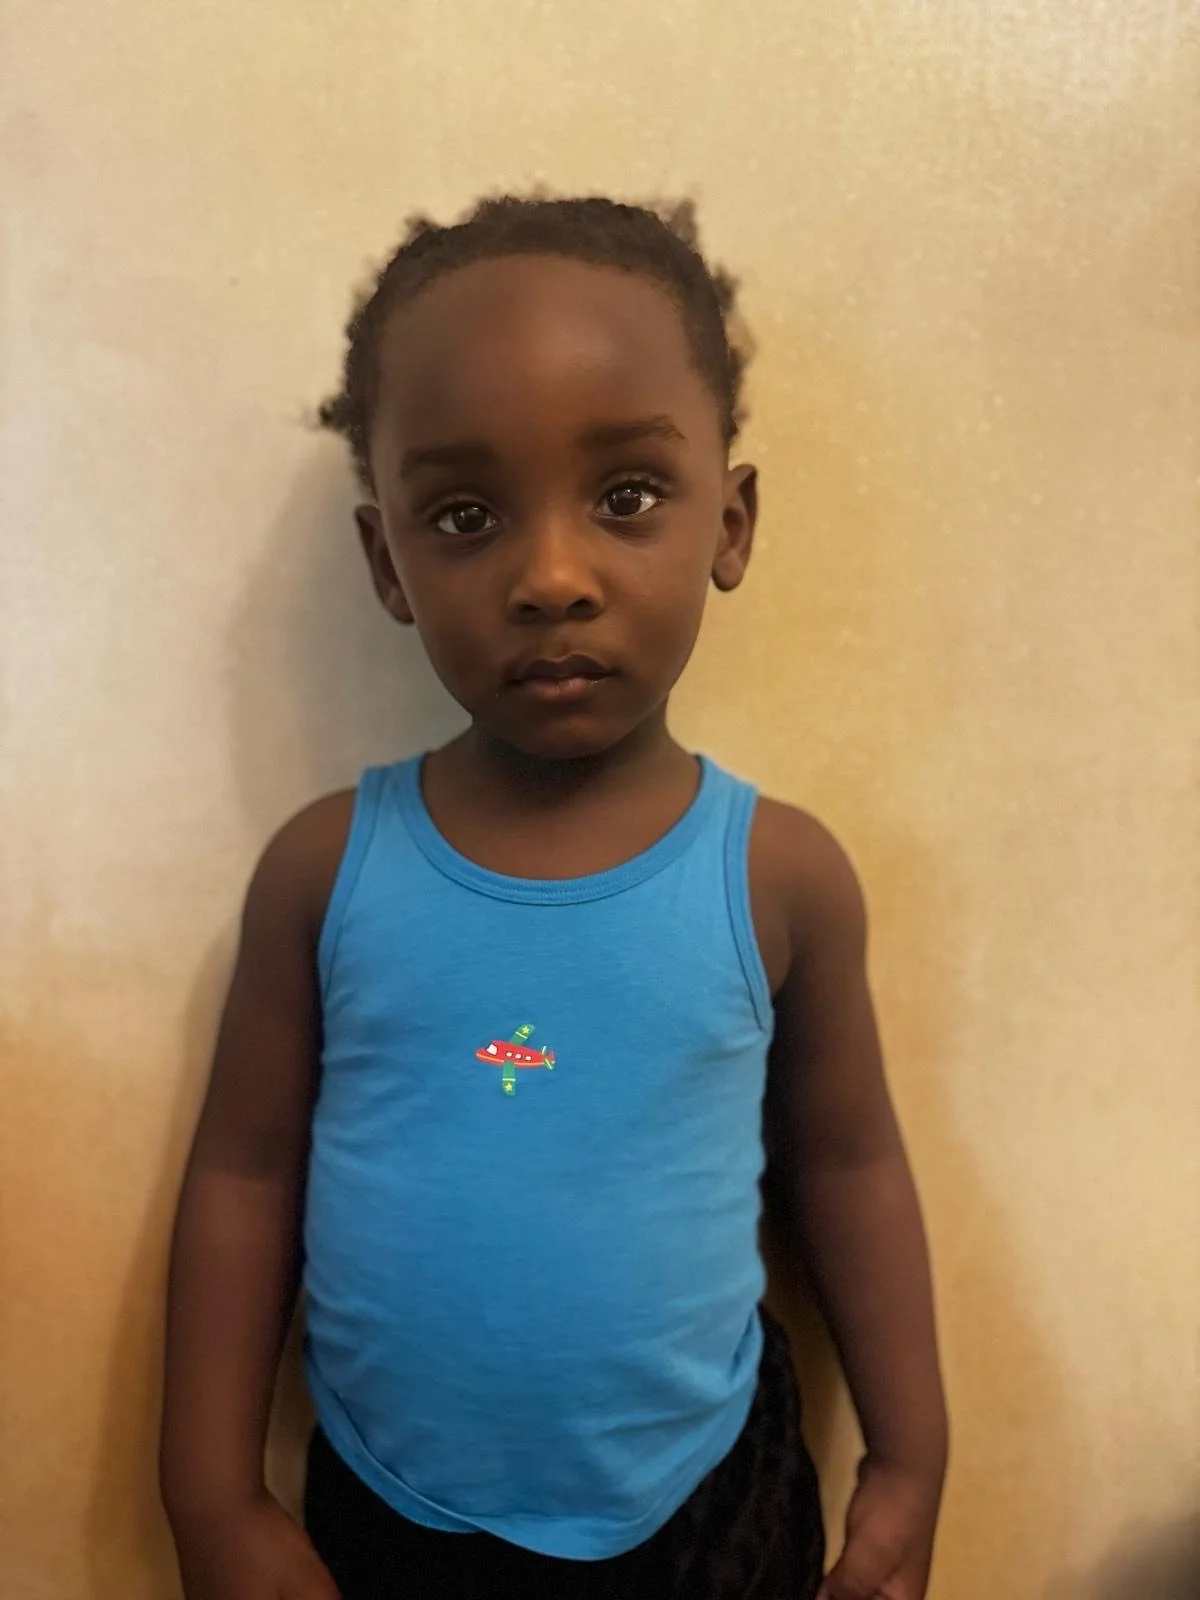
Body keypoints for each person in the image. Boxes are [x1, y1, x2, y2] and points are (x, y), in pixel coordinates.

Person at [160, 195, 948, 1600]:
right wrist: (213, 1498)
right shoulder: (324, 872)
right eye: (465, 515)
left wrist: (910, 1458)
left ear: (733, 519)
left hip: (707, 1503)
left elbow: (847, 1169)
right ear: (388, 563)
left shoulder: (780, 879)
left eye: (628, 495)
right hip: (392, 1515)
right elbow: (243, 1174)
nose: (552, 578)